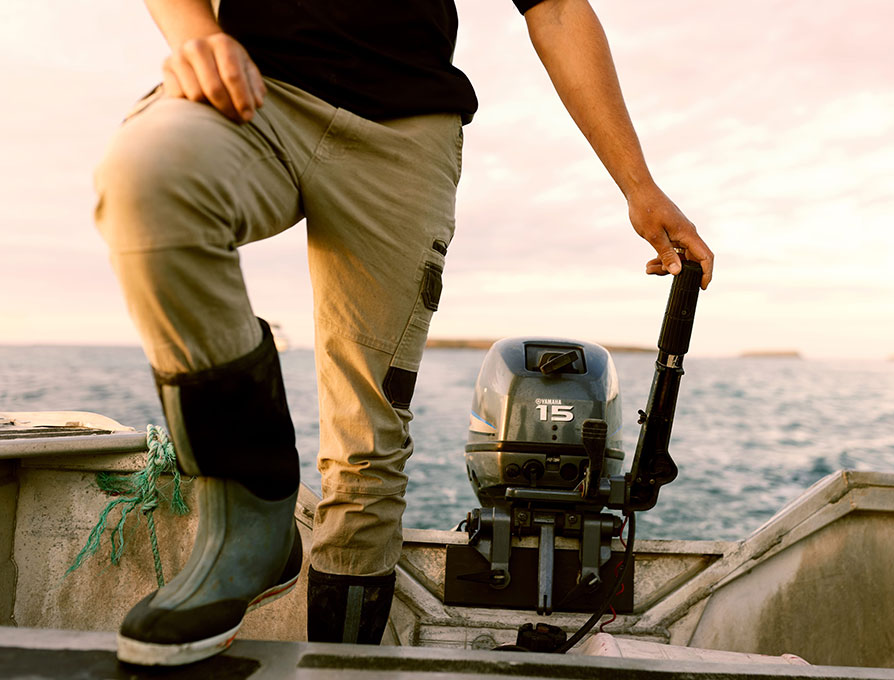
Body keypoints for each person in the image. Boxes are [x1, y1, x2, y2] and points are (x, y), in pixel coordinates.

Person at [94, 0, 715, 666]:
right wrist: (197, 33)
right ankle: (250, 512)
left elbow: (557, 9)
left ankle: (339, 670)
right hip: (253, 83)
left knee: (367, 441)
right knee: (146, 185)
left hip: (405, 132)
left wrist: (639, 184)